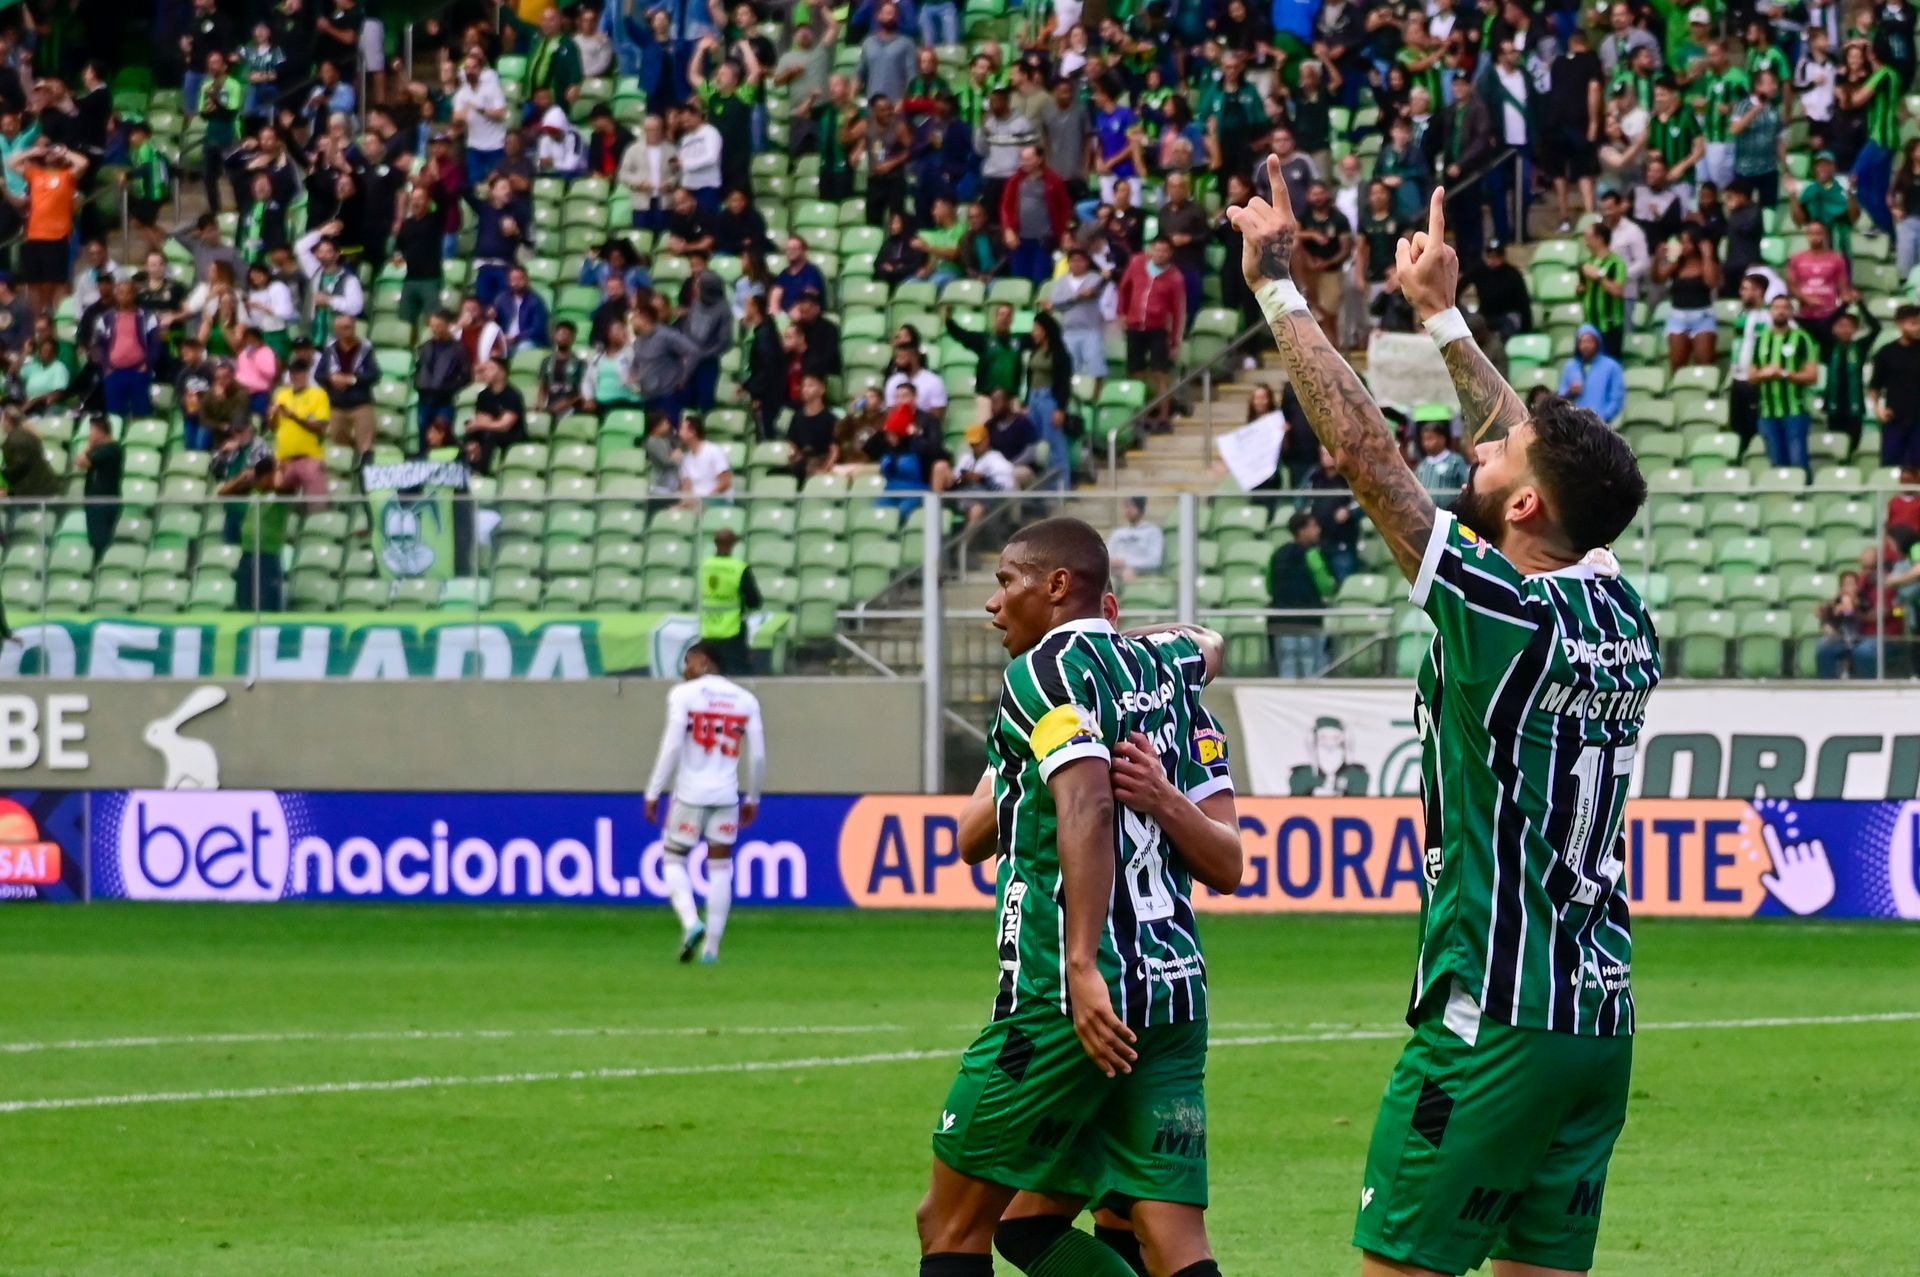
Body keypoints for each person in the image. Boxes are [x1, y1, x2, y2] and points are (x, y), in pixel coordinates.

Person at [1230, 162, 1655, 1277]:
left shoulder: (1503, 610)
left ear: (1522, 507)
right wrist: (1442, 315)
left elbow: (1371, 461)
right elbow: (1534, 448)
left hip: (1493, 1016)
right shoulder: (1616, 599)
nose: (1480, 442)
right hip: (1594, 1017)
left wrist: (1280, 290)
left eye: (1494, 458)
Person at [917, 515, 1236, 1277]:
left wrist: (1082, 963)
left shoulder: (1041, 677)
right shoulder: (1165, 673)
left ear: (1058, 587)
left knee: (952, 1222)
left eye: (1005, 582)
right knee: (1168, 1235)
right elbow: (1208, 642)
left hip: (1064, 997)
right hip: (1171, 993)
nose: (994, 604)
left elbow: (1086, 807)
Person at [643, 638, 765, 963]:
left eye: (689, 661)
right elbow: (757, 756)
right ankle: (712, 948)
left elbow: (671, 746)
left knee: (672, 858)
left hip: (690, 793)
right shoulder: (746, 700)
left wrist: (654, 791)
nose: (685, 669)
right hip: (726, 794)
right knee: (721, 868)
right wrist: (753, 796)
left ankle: (690, 921)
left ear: (705, 662)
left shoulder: (683, 696)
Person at [1116, 238, 1185, 433]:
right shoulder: (1137, 263)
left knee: (1159, 374)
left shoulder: (1175, 277)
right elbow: (1124, 288)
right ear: (1151, 250)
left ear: (1170, 254)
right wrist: (1122, 313)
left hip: (1157, 329)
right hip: (1135, 326)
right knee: (1135, 372)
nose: (1160, 254)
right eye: (1157, 249)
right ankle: (1140, 415)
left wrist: (1174, 342)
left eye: (1164, 251)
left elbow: (1178, 311)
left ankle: (1164, 416)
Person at [11, 141, 86, 315]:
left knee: (57, 282)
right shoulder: (35, 174)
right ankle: (38, 322)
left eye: (54, 151)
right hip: (34, 236)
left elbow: (82, 163)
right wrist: (33, 151)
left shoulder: (68, 176)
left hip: (57, 237)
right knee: (34, 282)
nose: (51, 153)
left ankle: (58, 318)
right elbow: (12, 162)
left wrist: (64, 151)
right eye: (49, 152)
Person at [1267, 510, 1333, 677]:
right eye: (1313, 526)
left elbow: (1269, 586)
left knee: (1287, 669)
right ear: (1301, 531)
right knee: (1311, 669)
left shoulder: (1277, 555)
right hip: (1309, 623)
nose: (1318, 530)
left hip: (1281, 624)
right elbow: (1326, 586)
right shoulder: (1311, 555)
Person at [92, 281, 163, 419]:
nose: (125, 296)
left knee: (141, 413)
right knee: (114, 416)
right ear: (116, 295)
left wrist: (146, 365)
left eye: (128, 293)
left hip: (138, 372)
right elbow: (98, 345)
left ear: (134, 294)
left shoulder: (147, 317)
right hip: (113, 373)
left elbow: (155, 344)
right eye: (121, 293)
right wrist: (106, 367)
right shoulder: (106, 318)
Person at [1654, 225, 1722, 370]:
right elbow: (1657, 279)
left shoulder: (1707, 263)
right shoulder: (1676, 264)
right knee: (1677, 365)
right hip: (1678, 318)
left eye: (1687, 242)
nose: (1683, 246)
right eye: (1682, 242)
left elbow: (1711, 282)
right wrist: (1657, 260)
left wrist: (1707, 255)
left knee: (1704, 363)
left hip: (1702, 317)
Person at [317, 314, 377, 462]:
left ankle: (364, 477)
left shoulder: (365, 348)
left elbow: (374, 374)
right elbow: (319, 375)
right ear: (336, 330)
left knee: (366, 447)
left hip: (360, 404)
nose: (346, 331)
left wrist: (352, 380)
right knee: (339, 444)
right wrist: (332, 378)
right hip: (337, 405)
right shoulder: (330, 350)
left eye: (349, 327)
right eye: (342, 328)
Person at [1870, 304, 1920, 468]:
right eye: (1913, 323)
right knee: (1890, 466)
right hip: (1894, 419)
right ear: (1900, 324)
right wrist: (1878, 409)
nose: (1917, 328)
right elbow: (1875, 386)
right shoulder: (1886, 352)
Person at [414, 310, 472, 446]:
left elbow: (465, 375)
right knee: (424, 435)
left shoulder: (458, 349)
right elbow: (418, 369)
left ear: (447, 325)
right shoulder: (425, 347)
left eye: (438, 326)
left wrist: (449, 387)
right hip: (425, 397)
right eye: (432, 326)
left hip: (444, 400)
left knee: (442, 435)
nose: (435, 330)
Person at [74, 414, 123, 568]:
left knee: (100, 540)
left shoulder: (111, 448)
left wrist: (89, 445)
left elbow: (82, 462)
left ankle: (101, 568)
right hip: (95, 500)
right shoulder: (101, 449)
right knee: (96, 540)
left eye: (92, 430)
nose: (90, 434)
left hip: (102, 501)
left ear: (101, 431)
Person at [1555, 324, 1628, 425]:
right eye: (1582, 342)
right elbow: (1560, 397)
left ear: (1597, 342)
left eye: (1589, 341)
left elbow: (1617, 398)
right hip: (1575, 426)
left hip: (1601, 425)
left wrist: (1603, 417)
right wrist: (1570, 392)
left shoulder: (1611, 366)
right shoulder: (1570, 367)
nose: (1585, 345)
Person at [1578, 221, 1629, 358]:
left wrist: (1599, 276)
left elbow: (1618, 291)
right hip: (1589, 327)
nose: (1586, 243)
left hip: (1609, 327)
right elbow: (1582, 291)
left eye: (1588, 238)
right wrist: (1580, 289)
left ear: (1599, 239)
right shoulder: (1588, 262)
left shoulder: (1617, 263)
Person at [677, 416, 733, 505]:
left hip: (717, 501)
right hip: (696, 504)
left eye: (682, 429)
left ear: (693, 432)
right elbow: (686, 487)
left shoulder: (714, 450)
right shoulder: (685, 458)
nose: (679, 433)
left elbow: (725, 482)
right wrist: (682, 506)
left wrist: (706, 501)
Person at [1107, 497, 1164, 582]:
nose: (1128, 510)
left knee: (1128, 573)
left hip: (1140, 572)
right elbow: (1107, 554)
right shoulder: (1118, 533)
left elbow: (1155, 561)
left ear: (1140, 509)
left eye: (1131, 507)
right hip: (1114, 570)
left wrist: (1126, 563)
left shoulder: (1153, 532)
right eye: (1126, 507)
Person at [539, 321, 587, 420]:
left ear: (573, 338)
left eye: (567, 335)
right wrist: (540, 404)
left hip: (572, 407)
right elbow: (542, 386)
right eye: (560, 334)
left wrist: (566, 403)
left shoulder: (580, 363)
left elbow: (584, 391)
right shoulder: (547, 362)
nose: (563, 337)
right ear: (555, 336)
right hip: (550, 405)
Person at [1413, 420, 1468, 493]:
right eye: (1424, 440)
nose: (1426, 443)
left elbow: (1465, 485)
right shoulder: (1422, 465)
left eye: (1430, 439)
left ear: (1442, 439)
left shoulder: (1455, 461)